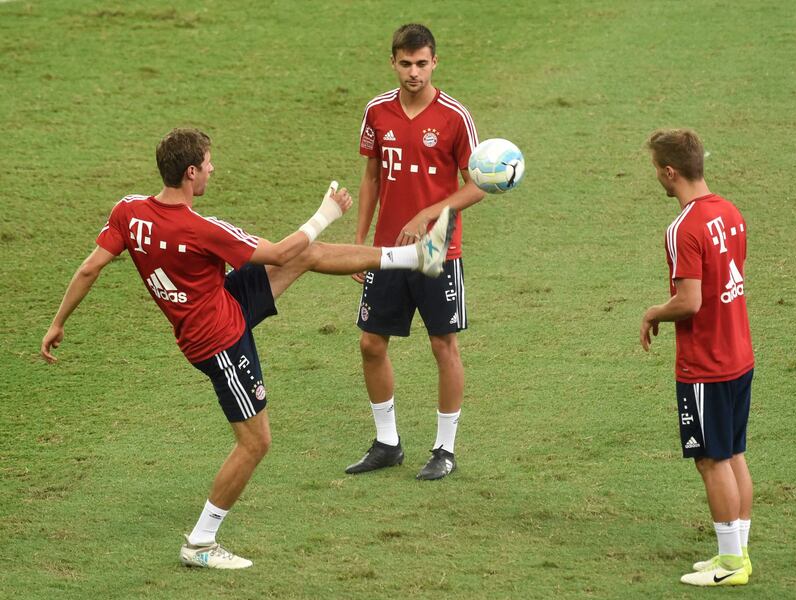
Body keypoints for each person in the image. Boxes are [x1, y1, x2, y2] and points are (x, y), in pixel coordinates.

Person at [40, 128, 455, 569]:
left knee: (308, 256)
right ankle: (201, 542)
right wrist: (325, 212)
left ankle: (417, 257)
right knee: (255, 442)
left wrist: (58, 322)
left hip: (221, 302)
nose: (213, 168)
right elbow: (276, 253)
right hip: (219, 339)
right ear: (190, 172)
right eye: (208, 162)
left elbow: (89, 269)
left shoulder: (128, 211)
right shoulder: (201, 229)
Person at [345, 23, 485, 481]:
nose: (413, 72)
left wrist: (429, 213)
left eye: (421, 63)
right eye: (405, 63)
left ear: (434, 62)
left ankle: (445, 448)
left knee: (443, 345)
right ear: (393, 62)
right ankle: (387, 443)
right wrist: (359, 242)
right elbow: (370, 177)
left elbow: (478, 185)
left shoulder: (454, 117)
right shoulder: (377, 112)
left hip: (437, 251)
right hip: (386, 251)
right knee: (370, 343)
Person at [640, 129, 755, 586]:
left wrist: (653, 312)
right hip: (739, 352)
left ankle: (730, 564)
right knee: (734, 454)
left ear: (670, 172)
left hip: (706, 364)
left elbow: (690, 301)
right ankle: (737, 554)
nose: (657, 178)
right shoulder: (730, 211)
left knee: (712, 460)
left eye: (656, 170)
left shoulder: (682, 227)